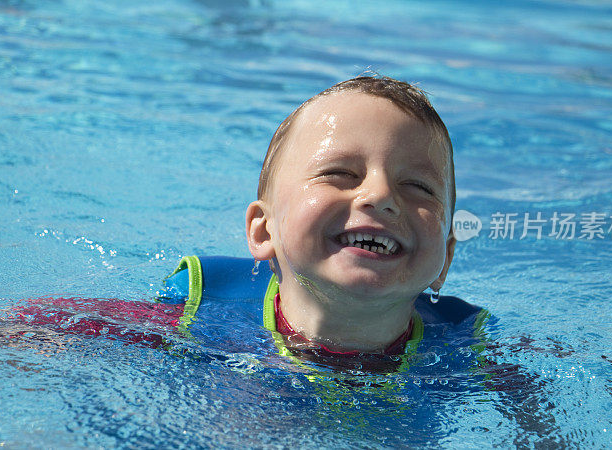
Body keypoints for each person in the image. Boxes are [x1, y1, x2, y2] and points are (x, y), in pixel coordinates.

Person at [159, 76, 487, 369]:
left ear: (446, 256)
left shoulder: (468, 345)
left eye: (418, 187)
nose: (381, 195)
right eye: (340, 173)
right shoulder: (199, 305)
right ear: (263, 230)